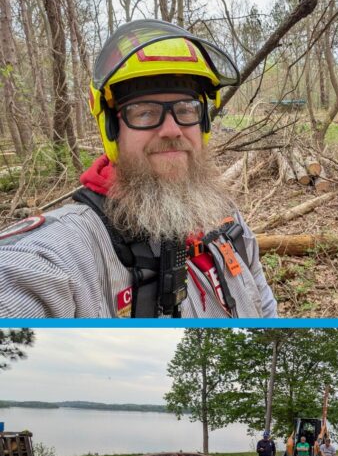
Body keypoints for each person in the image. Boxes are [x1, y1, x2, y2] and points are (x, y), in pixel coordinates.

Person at [0, 19, 276, 318]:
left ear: (204, 124)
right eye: (145, 112)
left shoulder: (226, 218)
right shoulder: (63, 252)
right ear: (112, 129)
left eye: (185, 110)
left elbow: (266, 308)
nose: (172, 130)